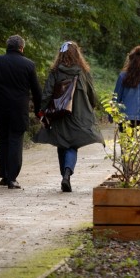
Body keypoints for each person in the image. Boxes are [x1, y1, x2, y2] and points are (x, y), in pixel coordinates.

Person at [34, 41, 104, 192]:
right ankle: (67, 174)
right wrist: (90, 107)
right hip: (78, 115)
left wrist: (42, 111)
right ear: (77, 54)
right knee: (72, 145)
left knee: (62, 143)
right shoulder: (83, 72)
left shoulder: (55, 72)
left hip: (59, 114)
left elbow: (47, 93)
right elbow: (92, 94)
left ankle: (64, 176)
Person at [0, 34, 42, 190]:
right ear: (21, 48)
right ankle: (12, 178)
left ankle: (4, 176)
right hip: (19, 109)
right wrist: (39, 110)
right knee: (15, 140)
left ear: (8, 47)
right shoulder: (29, 65)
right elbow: (36, 90)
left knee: (3, 139)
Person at [113, 45, 140, 125]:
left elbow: (116, 98)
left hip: (125, 118)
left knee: (126, 137)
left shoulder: (123, 76)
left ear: (130, 60)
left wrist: (112, 115)